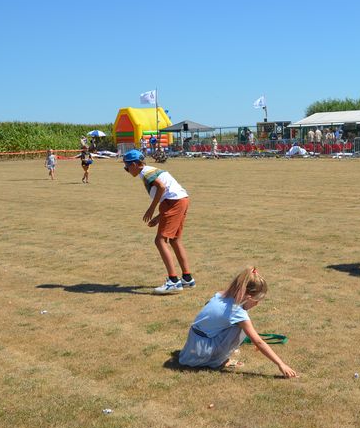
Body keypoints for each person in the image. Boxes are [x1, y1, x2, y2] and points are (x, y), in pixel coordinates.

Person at [178, 267, 297, 377]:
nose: (257, 304)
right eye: (257, 301)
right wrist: (281, 364)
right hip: (201, 352)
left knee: (238, 324)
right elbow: (259, 342)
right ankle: (216, 360)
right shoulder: (238, 313)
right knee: (241, 327)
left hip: (192, 345)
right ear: (249, 297)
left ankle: (213, 355)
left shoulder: (220, 294)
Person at [122, 149, 194, 294]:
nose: (126, 170)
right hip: (180, 200)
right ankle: (187, 278)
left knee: (160, 240)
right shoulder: (151, 170)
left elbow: (162, 188)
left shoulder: (146, 173)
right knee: (174, 240)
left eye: (126, 167)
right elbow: (169, 192)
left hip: (173, 202)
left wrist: (151, 209)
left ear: (135, 164)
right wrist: (159, 216)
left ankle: (173, 281)